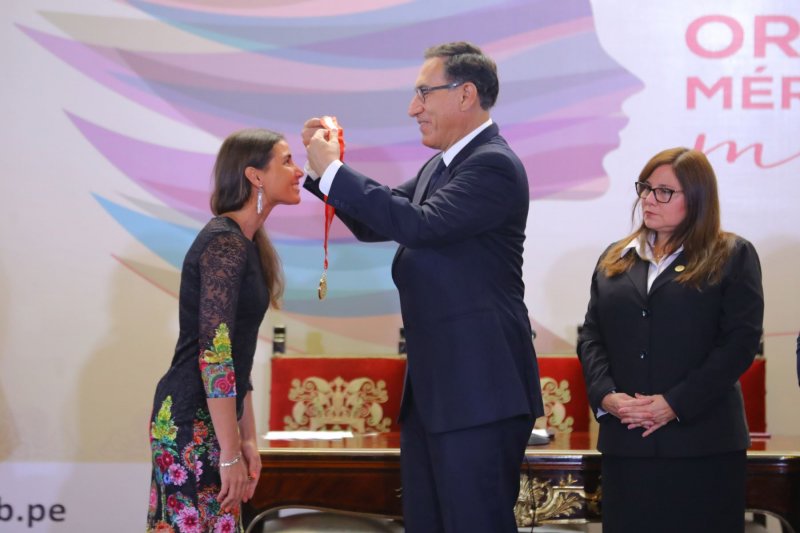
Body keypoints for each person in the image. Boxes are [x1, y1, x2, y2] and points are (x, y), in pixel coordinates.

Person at [303, 41, 544, 532]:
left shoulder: (492, 164)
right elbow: (379, 222)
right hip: (439, 391)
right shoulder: (442, 165)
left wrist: (335, 172)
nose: (413, 108)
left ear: (465, 95)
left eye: (422, 93)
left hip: (479, 388)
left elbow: (419, 225)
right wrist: (320, 172)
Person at [577, 147, 764, 532]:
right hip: (627, 442)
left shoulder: (731, 254)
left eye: (664, 191)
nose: (648, 198)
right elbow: (592, 336)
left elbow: (739, 344)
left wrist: (673, 404)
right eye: (645, 187)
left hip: (702, 444)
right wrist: (605, 395)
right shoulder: (616, 258)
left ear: (696, 199)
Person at [146, 129, 303, 532]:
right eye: (286, 161)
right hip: (191, 421)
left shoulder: (248, 243)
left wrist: (246, 440)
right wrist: (231, 451)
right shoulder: (225, 243)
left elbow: (237, 355)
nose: (298, 170)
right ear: (255, 176)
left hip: (216, 422)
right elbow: (215, 356)